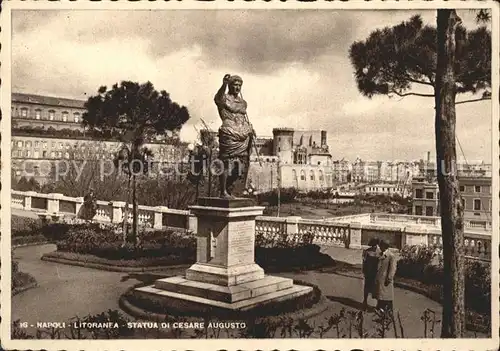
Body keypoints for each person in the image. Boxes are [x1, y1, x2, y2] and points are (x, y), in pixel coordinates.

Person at [214, 74, 254, 198]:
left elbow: (243, 118)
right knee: (225, 162)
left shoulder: (243, 103)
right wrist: (224, 84)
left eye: (239, 85)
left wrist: (250, 129)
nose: (237, 87)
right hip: (229, 134)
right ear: (230, 86)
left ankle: (229, 188)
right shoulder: (224, 98)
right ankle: (223, 192)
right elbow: (217, 98)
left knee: (240, 165)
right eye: (234, 85)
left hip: (243, 135)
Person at [374, 239, 398, 314]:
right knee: (380, 294)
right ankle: (380, 307)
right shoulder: (381, 254)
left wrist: (389, 278)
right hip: (380, 278)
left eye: (381, 245)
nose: (379, 247)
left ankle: (387, 311)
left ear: (384, 246)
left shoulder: (391, 256)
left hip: (386, 279)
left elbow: (393, 268)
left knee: (386, 296)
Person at [362, 237, 380, 310]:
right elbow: (364, 262)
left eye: (375, 245)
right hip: (369, 272)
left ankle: (378, 304)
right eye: (373, 245)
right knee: (367, 288)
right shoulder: (366, 252)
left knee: (376, 289)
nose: (374, 247)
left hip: (376, 273)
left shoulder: (380, 252)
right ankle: (365, 302)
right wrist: (364, 271)